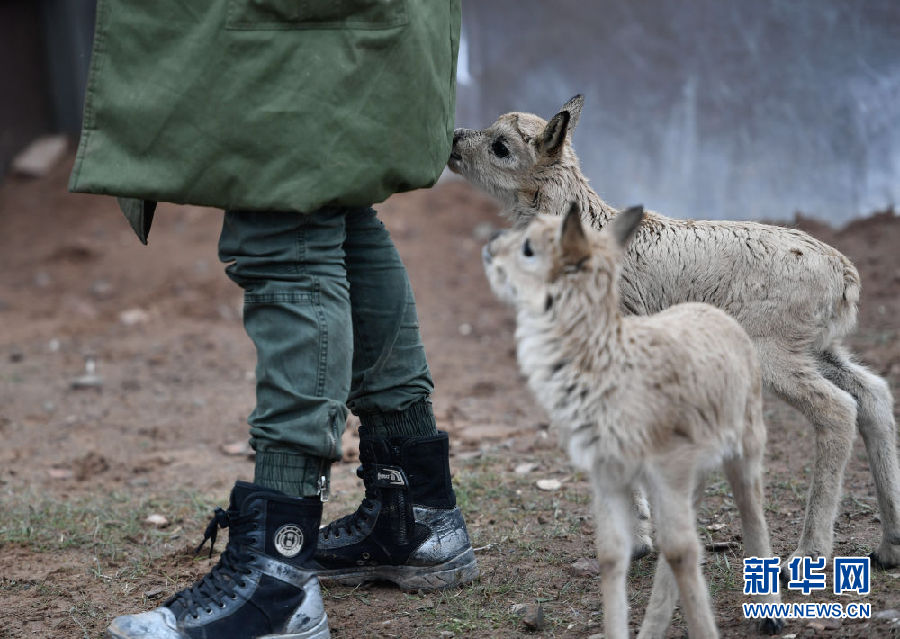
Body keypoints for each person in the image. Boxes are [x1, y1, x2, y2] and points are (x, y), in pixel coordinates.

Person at [69, 1, 475, 637]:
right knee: (335, 203)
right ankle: (414, 511)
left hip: (295, 24)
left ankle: (277, 576)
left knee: (282, 218)